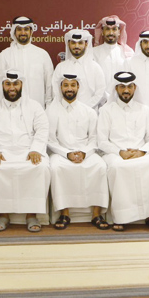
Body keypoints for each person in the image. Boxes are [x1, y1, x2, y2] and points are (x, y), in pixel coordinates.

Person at [0, 71, 51, 232]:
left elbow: (42, 129)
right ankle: (3, 214)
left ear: (21, 85)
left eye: (15, 84)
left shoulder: (34, 106)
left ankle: (31, 214)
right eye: (8, 84)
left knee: (40, 168)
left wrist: (35, 150)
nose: (11, 88)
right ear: (2, 86)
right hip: (1, 151)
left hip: (28, 150)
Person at [97, 72, 149, 231]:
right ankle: (121, 217)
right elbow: (102, 141)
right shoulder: (107, 111)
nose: (126, 90)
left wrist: (142, 151)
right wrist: (120, 152)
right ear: (116, 89)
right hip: (115, 154)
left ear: (135, 88)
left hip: (140, 153)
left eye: (129, 87)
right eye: (122, 87)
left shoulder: (145, 110)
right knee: (117, 167)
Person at [46, 73, 108, 230]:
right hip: (60, 153)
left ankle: (96, 214)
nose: (69, 89)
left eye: (72, 85)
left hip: (86, 152)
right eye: (66, 85)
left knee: (99, 166)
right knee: (56, 168)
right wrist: (67, 154)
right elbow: (50, 140)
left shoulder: (89, 112)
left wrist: (84, 153)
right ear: (60, 87)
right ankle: (64, 213)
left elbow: (94, 139)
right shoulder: (51, 111)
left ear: (78, 87)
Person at [0, 16, 54, 107]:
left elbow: (49, 85)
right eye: (19, 29)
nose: (23, 32)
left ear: (31, 31)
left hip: (38, 109)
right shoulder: (5, 55)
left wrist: (49, 107)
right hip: (11, 111)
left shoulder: (42, 54)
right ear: (14, 31)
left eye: (26, 29)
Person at [52, 28, 106, 109]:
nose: (76, 46)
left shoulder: (95, 67)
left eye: (80, 43)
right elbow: (56, 92)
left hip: (89, 114)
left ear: (86, 44)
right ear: (68, 44)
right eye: (73, 43)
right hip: (65, 113)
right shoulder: (61, 67)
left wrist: (84, 109)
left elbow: (100, 92)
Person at [92, 15, 133, 80]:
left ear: (119, 32)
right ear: (102, 32)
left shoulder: (127, 53)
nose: (111, 33)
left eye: (114, 29)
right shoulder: (93, 53)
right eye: (107, 29)